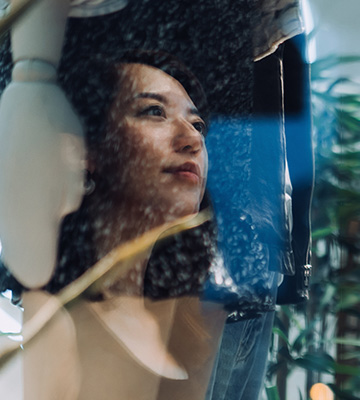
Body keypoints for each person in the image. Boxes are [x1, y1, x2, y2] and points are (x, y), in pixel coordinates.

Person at [1, 49, 224, 400]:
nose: (192, 139)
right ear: (88, 149)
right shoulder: (50, 321)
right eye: (155, 112)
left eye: (198, 125)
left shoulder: (187, 323)